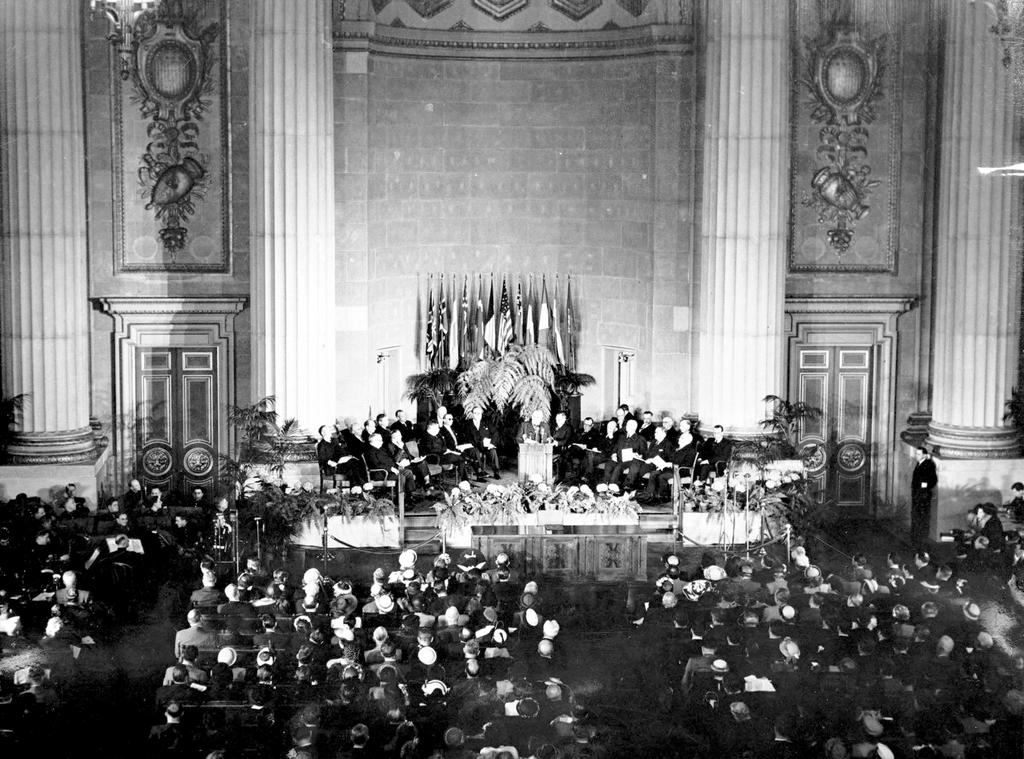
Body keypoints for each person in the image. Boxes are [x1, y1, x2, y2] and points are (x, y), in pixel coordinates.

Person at [604, 418, 648, 493]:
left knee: (619, 467)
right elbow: (615, 448)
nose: (627, 426)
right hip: (619, 458)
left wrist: (639, 455)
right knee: (608, 464)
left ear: (635, 427)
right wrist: (613, 454)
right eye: (627, 424)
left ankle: (615, 486)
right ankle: (606, 485)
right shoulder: (622, 437)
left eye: (629, 425)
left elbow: (645, 454)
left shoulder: (640, 439)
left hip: (631, 460)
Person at [463, 406, 501, 480]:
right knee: (476, 452)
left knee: (493, 451)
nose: (477, 415)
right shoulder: (467, 424)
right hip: (474, 446)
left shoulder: (486, 422)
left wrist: (491, 444)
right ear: (472, 414)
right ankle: (480, 473)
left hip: (486, 446)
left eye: (479, 413)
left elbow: (495, 433)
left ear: (481, 414)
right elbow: (467, 438)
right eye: (475, 413)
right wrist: (479, 443)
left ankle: (496, 472)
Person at [911, 446, 937, 544]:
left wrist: (923, 486)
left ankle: (921, 537)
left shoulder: (929, 464)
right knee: (917, 515)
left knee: (922, 516)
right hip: (917, 495)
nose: (916, 456)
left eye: (918, 454)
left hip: (923, 495)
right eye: (916, 454)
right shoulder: (919, 463)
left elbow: (932, 480)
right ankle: (916, 536)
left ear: (925, 455)